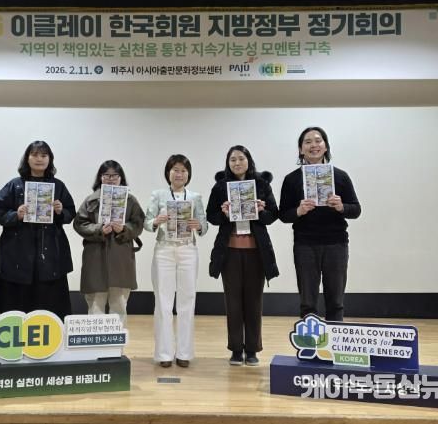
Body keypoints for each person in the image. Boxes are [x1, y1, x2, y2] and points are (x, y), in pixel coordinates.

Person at [206, 145, 279, 367]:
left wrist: (262, 210)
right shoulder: (220, 186)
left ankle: (253, 349)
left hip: (256, 251)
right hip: (229, 251)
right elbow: (211, 216)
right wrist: (223, 213)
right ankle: (236, 349)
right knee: (233, 302)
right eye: (233, 160)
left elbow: (273, 215)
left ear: (249, 160)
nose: (237, 163)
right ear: (228, 163)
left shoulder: (261, 185)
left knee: (254, 301)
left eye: (241, 158)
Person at [279, 127, 361, 322]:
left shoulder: (340, 176)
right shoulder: (292, 179)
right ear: (301, 149)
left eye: (318, 140)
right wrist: (299, 211)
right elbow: (283, 214)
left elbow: (356, 210)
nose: (313, 145)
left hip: (336, 244)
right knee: (308, 302)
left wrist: (341, 207)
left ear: (325, 146)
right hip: (305, 245)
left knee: (336, 301)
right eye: (307, 142)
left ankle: (334, 340)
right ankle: (311, 341)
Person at [0, 141, 75, 319]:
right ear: (27, 158)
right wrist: (15, 215)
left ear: (50, 159)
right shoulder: (14, 185)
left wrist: (61, 211)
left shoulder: (58, 186)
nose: (39, 159)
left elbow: (71, 213)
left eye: (44, 155)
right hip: (17, 254)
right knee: (15, 306)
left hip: (50, 254)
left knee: (50, 306)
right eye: (35, 155)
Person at [144, 154, 208, 368]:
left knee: (187, 300)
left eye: (183, 170)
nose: (179, 174)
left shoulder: (195, 197)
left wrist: (198, 225)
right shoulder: (158, 195)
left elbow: (204, 226)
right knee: (163, 301)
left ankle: (184, 352)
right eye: (175, 170)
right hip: (164, 249)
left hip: (188, 249)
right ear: (168, 173)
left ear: (188, 174)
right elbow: (146, 223)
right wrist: (156, 221)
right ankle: (164, 354)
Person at [73, 160, 145, 326]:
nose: (110, 179)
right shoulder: (91, 200)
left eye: (114, 175)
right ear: (100, 177)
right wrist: (99, 229)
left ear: (121, 178)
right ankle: (95, 342)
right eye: (106, 175)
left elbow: (138, 224)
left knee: (119, 304)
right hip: (95, 256)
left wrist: (124, 229)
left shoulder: (130, 200)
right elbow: (79, 224)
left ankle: (117, 341)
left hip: (121, 257)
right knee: (95, 305)